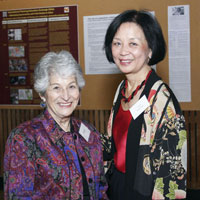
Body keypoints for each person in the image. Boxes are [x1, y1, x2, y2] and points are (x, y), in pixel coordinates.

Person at [102, 9, 187, 200]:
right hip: (116, 185)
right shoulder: (122, 89)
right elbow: (113, 142)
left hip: (143, 191)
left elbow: (171, 171)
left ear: (150, 49)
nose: (123, 51)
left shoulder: (163, 100)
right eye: (117, 43)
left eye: (133, 43)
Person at [4, 50, 108, 200]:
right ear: (42, 94)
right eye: (56, 88)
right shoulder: (23, 138)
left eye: (71, 86)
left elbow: (101, 189)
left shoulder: (89, 132)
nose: (66, 96)